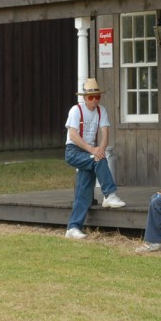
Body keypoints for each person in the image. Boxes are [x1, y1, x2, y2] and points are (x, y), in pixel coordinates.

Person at [64, 78, 125, 239]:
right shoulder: (76, 111)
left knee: (84, 190)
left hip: (90, 152)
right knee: (97, 160)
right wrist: (94, 150)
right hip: (74, 151)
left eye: (97, 96)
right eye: (91, 97)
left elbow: (105, 133)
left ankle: (73, 228)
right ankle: (109, 194)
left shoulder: (101, 111)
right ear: (84, 98)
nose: (95, 100)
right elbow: (73, 135)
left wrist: (101, 150)